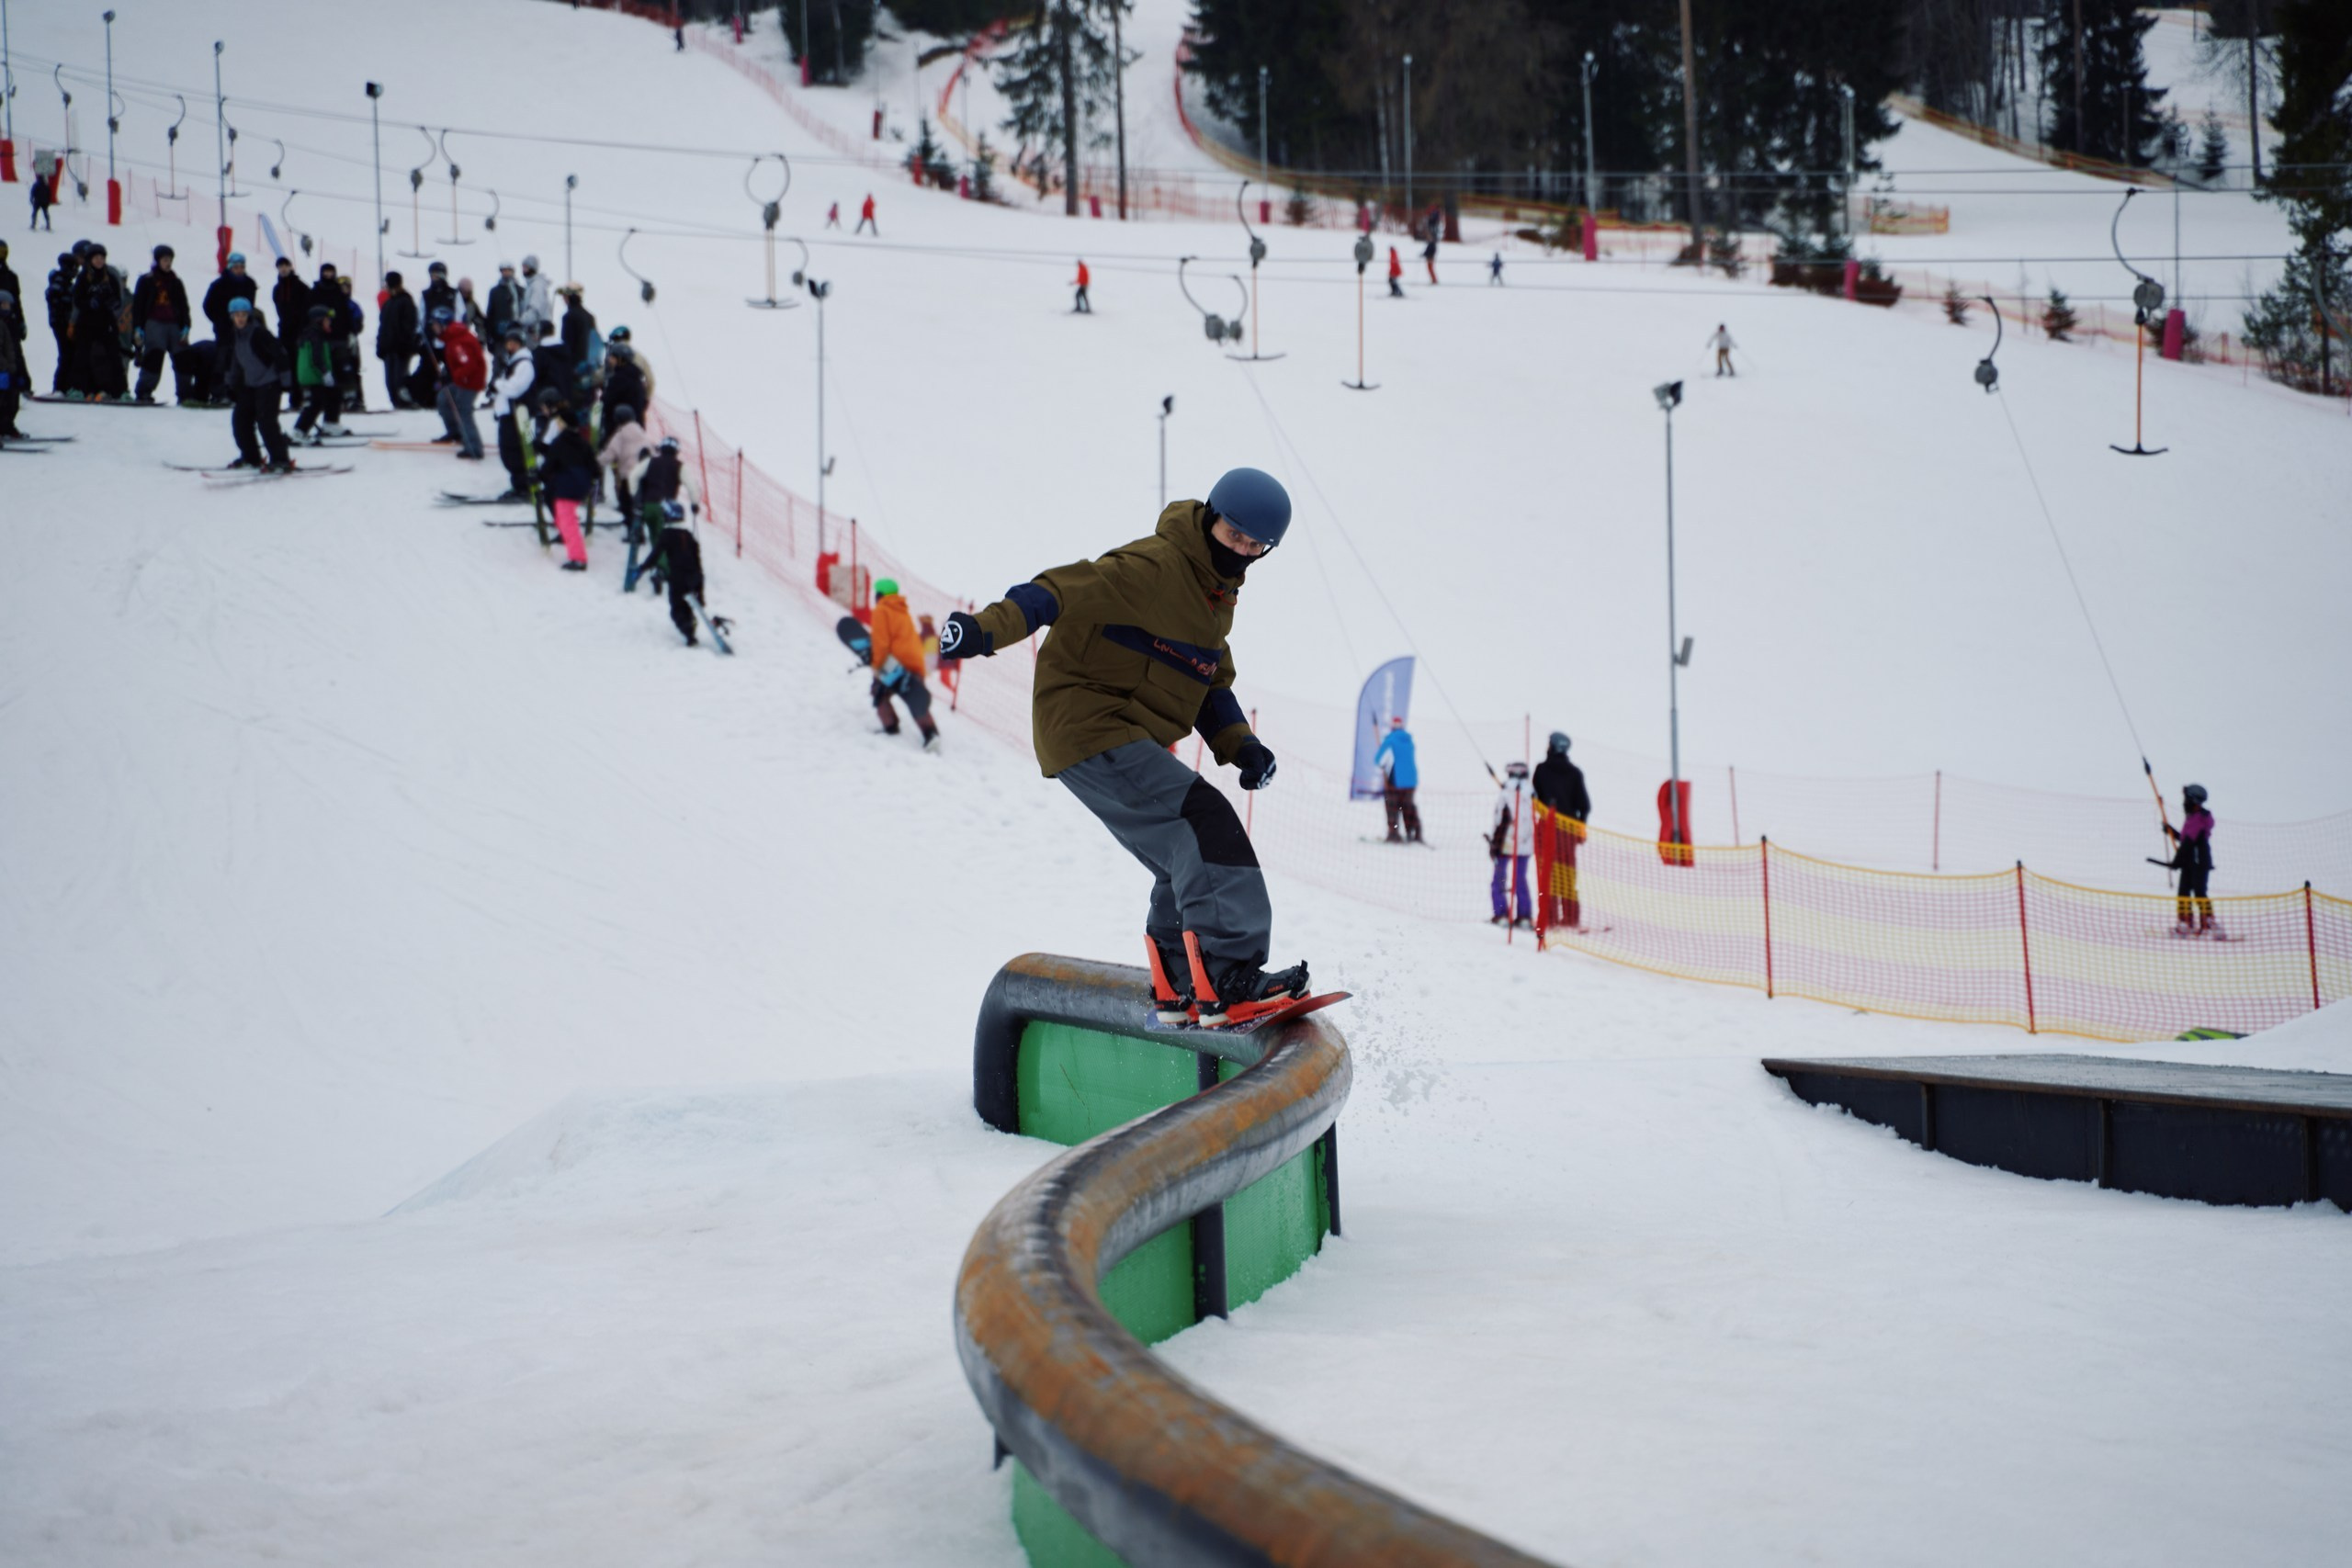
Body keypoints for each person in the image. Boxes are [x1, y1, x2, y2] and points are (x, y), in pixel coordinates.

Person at [937, 467, 1305, 1025]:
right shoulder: (1152, 566)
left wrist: (1242, 746)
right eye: (1234, 537)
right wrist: (985, 629)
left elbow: (1208, 681)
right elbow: (1055, 593)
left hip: (1121, 731)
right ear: (1209, 519)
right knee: (1205, 822)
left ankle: (1181, 984)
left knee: (1177, 850)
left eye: (1256, 547)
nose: (1242, 552)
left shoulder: (1214, 599)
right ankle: (1227, 977)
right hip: (1089, 719)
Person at [219, 296, 293, 472]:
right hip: (250, 384)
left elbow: (281, 354)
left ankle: (280, 460)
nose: (240, 318)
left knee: (266, 422)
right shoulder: (235, 336)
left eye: (244, 314)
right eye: (237, 315)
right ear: (232, 316)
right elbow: (234, 362)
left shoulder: (259, 333)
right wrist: (229, 385)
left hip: (269, 382)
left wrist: (286, 381)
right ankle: (251, 458)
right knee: (240, 421)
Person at [866, 578, 942, 750]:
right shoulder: (902, 610)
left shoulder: (881, 610)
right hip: (915, 663)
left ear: (879, 594)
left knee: (879, 692)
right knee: (914, 696)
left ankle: (891, 726)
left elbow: (881, 642)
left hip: (894, 662)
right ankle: (930, 733)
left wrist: (877, 667)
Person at [1532, 731, 1591, 931]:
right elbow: (1584, 805)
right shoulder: (1575, 773)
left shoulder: (1541, 770)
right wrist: (1580, 825)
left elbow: (1534, 797)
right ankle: (1570, 918)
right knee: (1567, 874)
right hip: (1568, 831)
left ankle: (1549, 918)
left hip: (1546, 828)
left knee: (1547, 872)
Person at [536, 393, 596, 571]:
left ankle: (579, 558)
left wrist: (537, 477)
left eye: (560, 423)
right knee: (563, 515)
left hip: (567, 486)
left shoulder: (559, 442)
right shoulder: (583, 443)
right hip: (581, 485)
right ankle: (567, 538)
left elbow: (549, 465)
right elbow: (594, 466)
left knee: (567, 520)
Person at [130, 245, 194, 404]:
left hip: (175, 324)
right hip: (154, 323)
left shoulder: (176, 281)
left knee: (183, 358)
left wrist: (186, 324)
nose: (168, 263)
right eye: (165, 260)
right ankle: (144, 391)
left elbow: (184, 305)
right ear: (158, 261)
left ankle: (185, 393)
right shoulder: (146, 280)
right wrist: (138, 326)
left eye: (170, 260)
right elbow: (138, 305)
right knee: (154, 356)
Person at [70, 243, 130, 400]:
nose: (99, 261)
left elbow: (118, 299)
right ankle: (78, 388)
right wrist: (90, 303)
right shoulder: (83, 277)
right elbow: (77, 299)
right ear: (90, 259)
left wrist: (109, 303)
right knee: (81, 356)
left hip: (106, 322)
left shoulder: (110, 275)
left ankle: (121, 391)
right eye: (96, 258)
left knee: (114, 357)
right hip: (87, 322)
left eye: (102, 258)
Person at [489, 323, 537, 501]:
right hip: (508, 414)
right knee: (507, 452)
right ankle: (518, 485)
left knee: (514, 452)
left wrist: (497, 384)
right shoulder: (512, 363)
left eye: (513, 343)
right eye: (508, 343)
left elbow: (515, 388)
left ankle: (523, 487)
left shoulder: (524, 364)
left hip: (516, 415)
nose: (510, 346)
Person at [2162, 784, 2219, 934]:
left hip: (2199, 861)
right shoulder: (2192, 818)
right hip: (2189, 861)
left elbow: (2188, 844)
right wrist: (2171, 831)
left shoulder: (2198, 819)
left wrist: (2177, 861)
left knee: (2199, 892)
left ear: (2193, 801)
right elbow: (2184, 838)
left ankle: (2208, 924)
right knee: (2183, 893)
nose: (2184, 802)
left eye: (2186, 799)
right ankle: (2185, 923)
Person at [435, 307, 487, 459]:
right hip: (462, 380)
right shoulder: (452, 337)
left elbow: (469, 364)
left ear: (443, 324)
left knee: (463, 411)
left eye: (436, 324)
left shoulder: (458, 341)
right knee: (444, 399)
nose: (433, 327)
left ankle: (474, 447)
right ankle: (455, 432)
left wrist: (453, 376)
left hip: (470, 382)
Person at [1487, 761, 1534, 928]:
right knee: (1520, 878)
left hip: (1506, 843)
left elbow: (1500, 819)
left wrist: (1494, 843)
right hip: (1526, 843)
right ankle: (1524, 916)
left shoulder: (1506, 794)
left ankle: (1501, 915)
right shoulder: (1532, 794)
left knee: (1499, 878)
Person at [289, 303, 345, 445]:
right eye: (327, 319)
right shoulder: (315, 334)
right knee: (315, 403)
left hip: (311, 374)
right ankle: (300, 430)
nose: (329, 322)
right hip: (313, 374)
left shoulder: (313, 333)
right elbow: (316, 357)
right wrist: (325, 373)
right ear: (319, 320)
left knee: (332, 393)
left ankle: (330, 423)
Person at [1373, 716, 1422, 843]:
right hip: (1411, 781)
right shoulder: (1409, 741)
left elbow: (1378, 760)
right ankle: (1414, 832)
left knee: (1392, 806)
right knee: (1408, 806)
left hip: (1395, 782)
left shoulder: (1390, 741)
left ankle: (1393, 833)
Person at [376, 270, 420, 409]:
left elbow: (409, 326)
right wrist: (380, 346)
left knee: (399, 379)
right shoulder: (388, 304)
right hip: (388, 348)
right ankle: (396, 402)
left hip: (401, 348)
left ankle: (404, 402)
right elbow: (382, 327)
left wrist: (406, 344)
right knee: (390, 381)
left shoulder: (405, 301)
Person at [598, 401, 649, 522]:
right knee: (639, 501)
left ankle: (631, 528)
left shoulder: (621, 434)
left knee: (625, 501)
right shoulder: (641, 432)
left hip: (629, 474)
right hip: (645, 472)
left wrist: (596, 462)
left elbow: (610, 453)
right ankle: (639, 528)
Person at [600, 324, 651, 431]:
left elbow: (602, 375)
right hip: (636, 417)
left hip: (617, 419)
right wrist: (645, 400)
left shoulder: (616, 356)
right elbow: (651, 381)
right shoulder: (640, 358)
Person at [45, 249, 79, 394]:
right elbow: (56, 302)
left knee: (68, 354)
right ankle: (60, 386)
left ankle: (65, 385)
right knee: (66, 354)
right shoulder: (60, 283)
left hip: (63, 323)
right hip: (61, 324)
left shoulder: (66, 283)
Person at [0, 290, 28, 437]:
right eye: (4, 305)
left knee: (11, 400)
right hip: (3, 371)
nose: (7, 308)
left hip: (8, 370)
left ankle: (6, 427)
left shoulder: (9, 323)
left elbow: (13, 349)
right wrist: (5, 367)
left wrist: (17, 371)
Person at [269, 254, 310, 354]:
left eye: (285, 266)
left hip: (300, 329)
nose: (283, 269)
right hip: (284, 328)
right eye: (280, 267)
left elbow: (308, 305)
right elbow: (278, 308)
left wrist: (302, 325)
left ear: (290, 267)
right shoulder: (277, 289)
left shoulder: (301, 286)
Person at [485, 261, 521, 350]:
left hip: (517, 334)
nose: (506, 273)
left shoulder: (520, 290)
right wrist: (489, 336)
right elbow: (490, 313)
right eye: (504, 270)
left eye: (509, 270)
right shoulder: (494, 291)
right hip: (499, 336)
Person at [517, 254, 554, 341]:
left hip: (536, 332)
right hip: (532, 331)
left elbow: (534, 310)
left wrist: (519, 322)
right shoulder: (530, 286)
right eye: (523, 267)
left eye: (526, 267)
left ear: (532, 268)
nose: (523, 270)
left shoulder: (537, 286)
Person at [28, 166, 55, 230]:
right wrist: (48, 201)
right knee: (45, 213)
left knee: (34, 213)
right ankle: (48, 225)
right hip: (45, 202)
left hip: (37, 201)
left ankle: (33, 224)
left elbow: (32, 192)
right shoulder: (46, 185)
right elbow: (49, 194)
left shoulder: (36, 184)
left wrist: (31, 199)